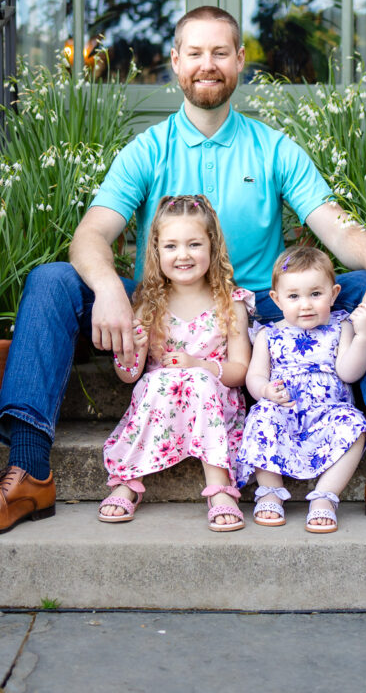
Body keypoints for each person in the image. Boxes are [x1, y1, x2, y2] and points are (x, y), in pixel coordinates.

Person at [0, 5, 366, 538]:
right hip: (161, 305)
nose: (207, 64)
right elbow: (90, 235)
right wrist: (108, 288)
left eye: (220, 52)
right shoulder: (148, 149)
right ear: (175, 62)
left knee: (362, 287)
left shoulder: (273, 147)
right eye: (194, 52)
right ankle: (29, 470)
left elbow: (334, 225)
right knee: (51, 280)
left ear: (240, 60)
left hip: (260, 305)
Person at [98, 194, 251, 532]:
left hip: (213, 399)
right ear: (156, 251)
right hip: (161, 400)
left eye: (194, 244)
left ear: (212, 247)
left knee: (196, 381)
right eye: (170, 246)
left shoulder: (231, 303)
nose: (183, 255)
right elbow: (128, 377)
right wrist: (131, 351)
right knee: (156, 380)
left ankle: (220, 485)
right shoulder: (149, 305)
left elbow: (241, 372)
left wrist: (201, 365)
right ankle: (128, 480)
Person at [236, 245, 366, 533]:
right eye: (294, 296)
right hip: (284, 409)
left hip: (329, 413)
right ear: (276, 299)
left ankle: (325, 496)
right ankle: (270, 491)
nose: (306, 304)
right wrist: (266, 390)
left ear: (333, 294)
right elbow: (255, 376)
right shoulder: (267, 334)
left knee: (356, 427)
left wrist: (363, 337)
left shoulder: (340, 327)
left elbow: (348, 371)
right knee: (261, 418)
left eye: (315, 294)